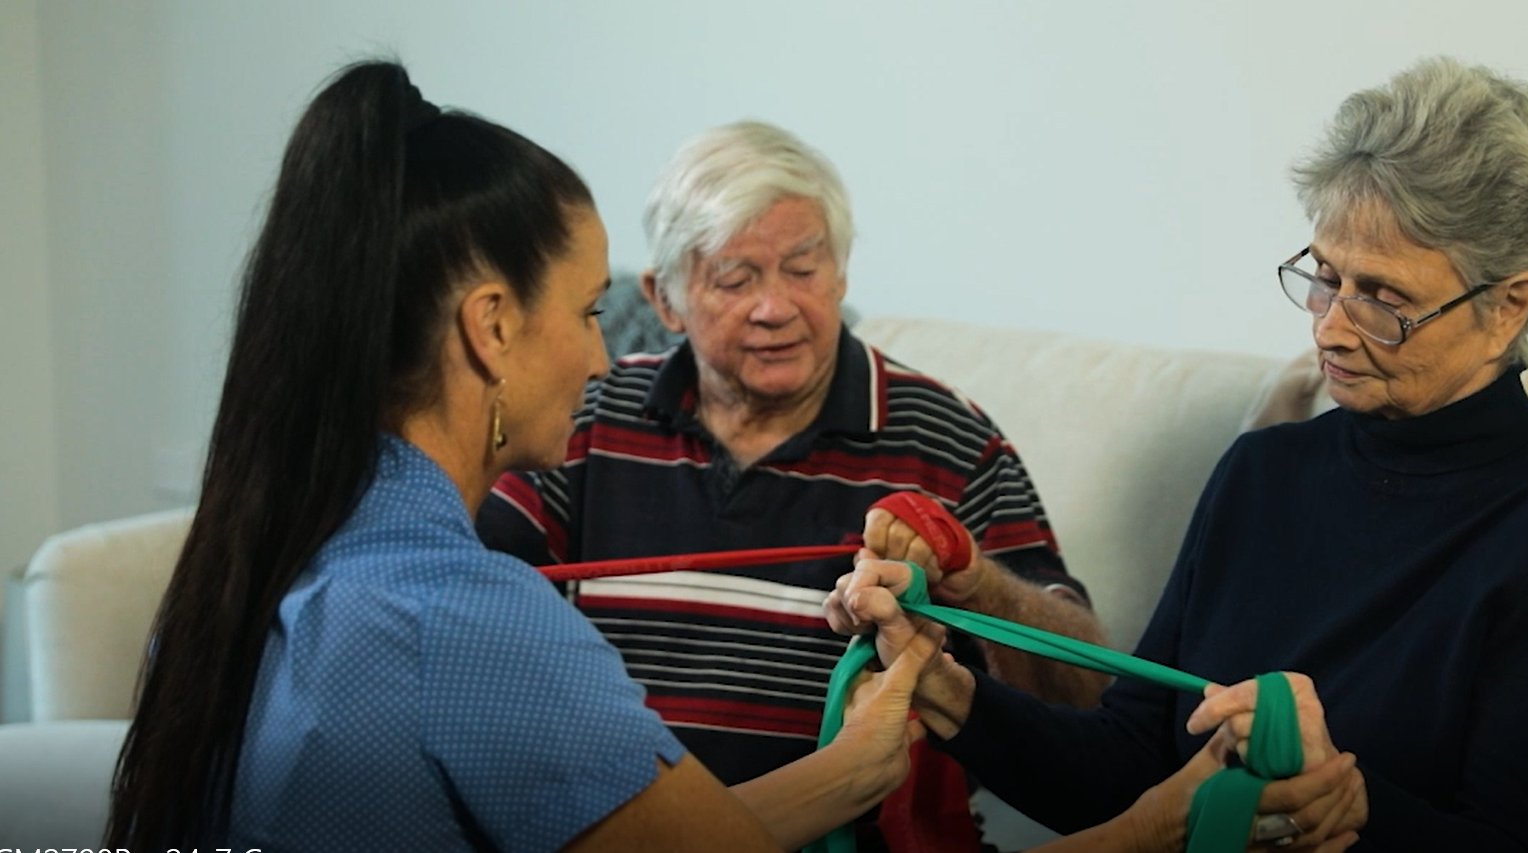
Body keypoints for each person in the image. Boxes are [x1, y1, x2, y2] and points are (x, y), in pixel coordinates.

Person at [830, 57, 1528, 852]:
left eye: (1382, 297)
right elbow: (1128, 767)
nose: (1330, 326)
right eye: (1325, 276)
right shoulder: (1261, 474)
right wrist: (946, 691)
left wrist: (1352, 804)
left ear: (1508, 305)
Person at [102, 61, 929, 853]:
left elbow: (647, 833)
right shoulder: (468, 620)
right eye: (586, 311)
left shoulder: (256, 564)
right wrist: (869, 750)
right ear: (491, 327)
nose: (601, 359)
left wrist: (854, 763)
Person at [476, 120, 1110, 850]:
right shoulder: (584, 418)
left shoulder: (952, 442)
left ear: (840, 275)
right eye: (734, 277)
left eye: (803, 269)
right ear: (664, 298)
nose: (774, 307)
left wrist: (979, 584)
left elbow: (1089, 702)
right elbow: (468, 621)